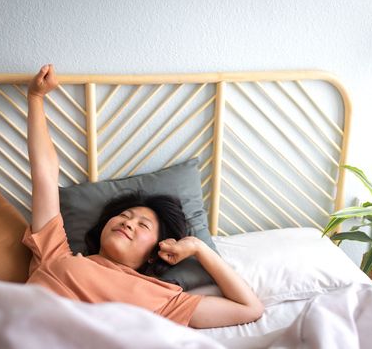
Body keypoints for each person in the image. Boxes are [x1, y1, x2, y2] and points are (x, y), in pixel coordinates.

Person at [24, 64, 264, 328]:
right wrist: (36, 98)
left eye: (143, 225)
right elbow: (45, 175)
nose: (128, 223)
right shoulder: (55, 252)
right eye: (125, 216)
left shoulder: (162, 299)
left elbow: (249, 308)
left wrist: (198, 247)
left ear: (155, 253)